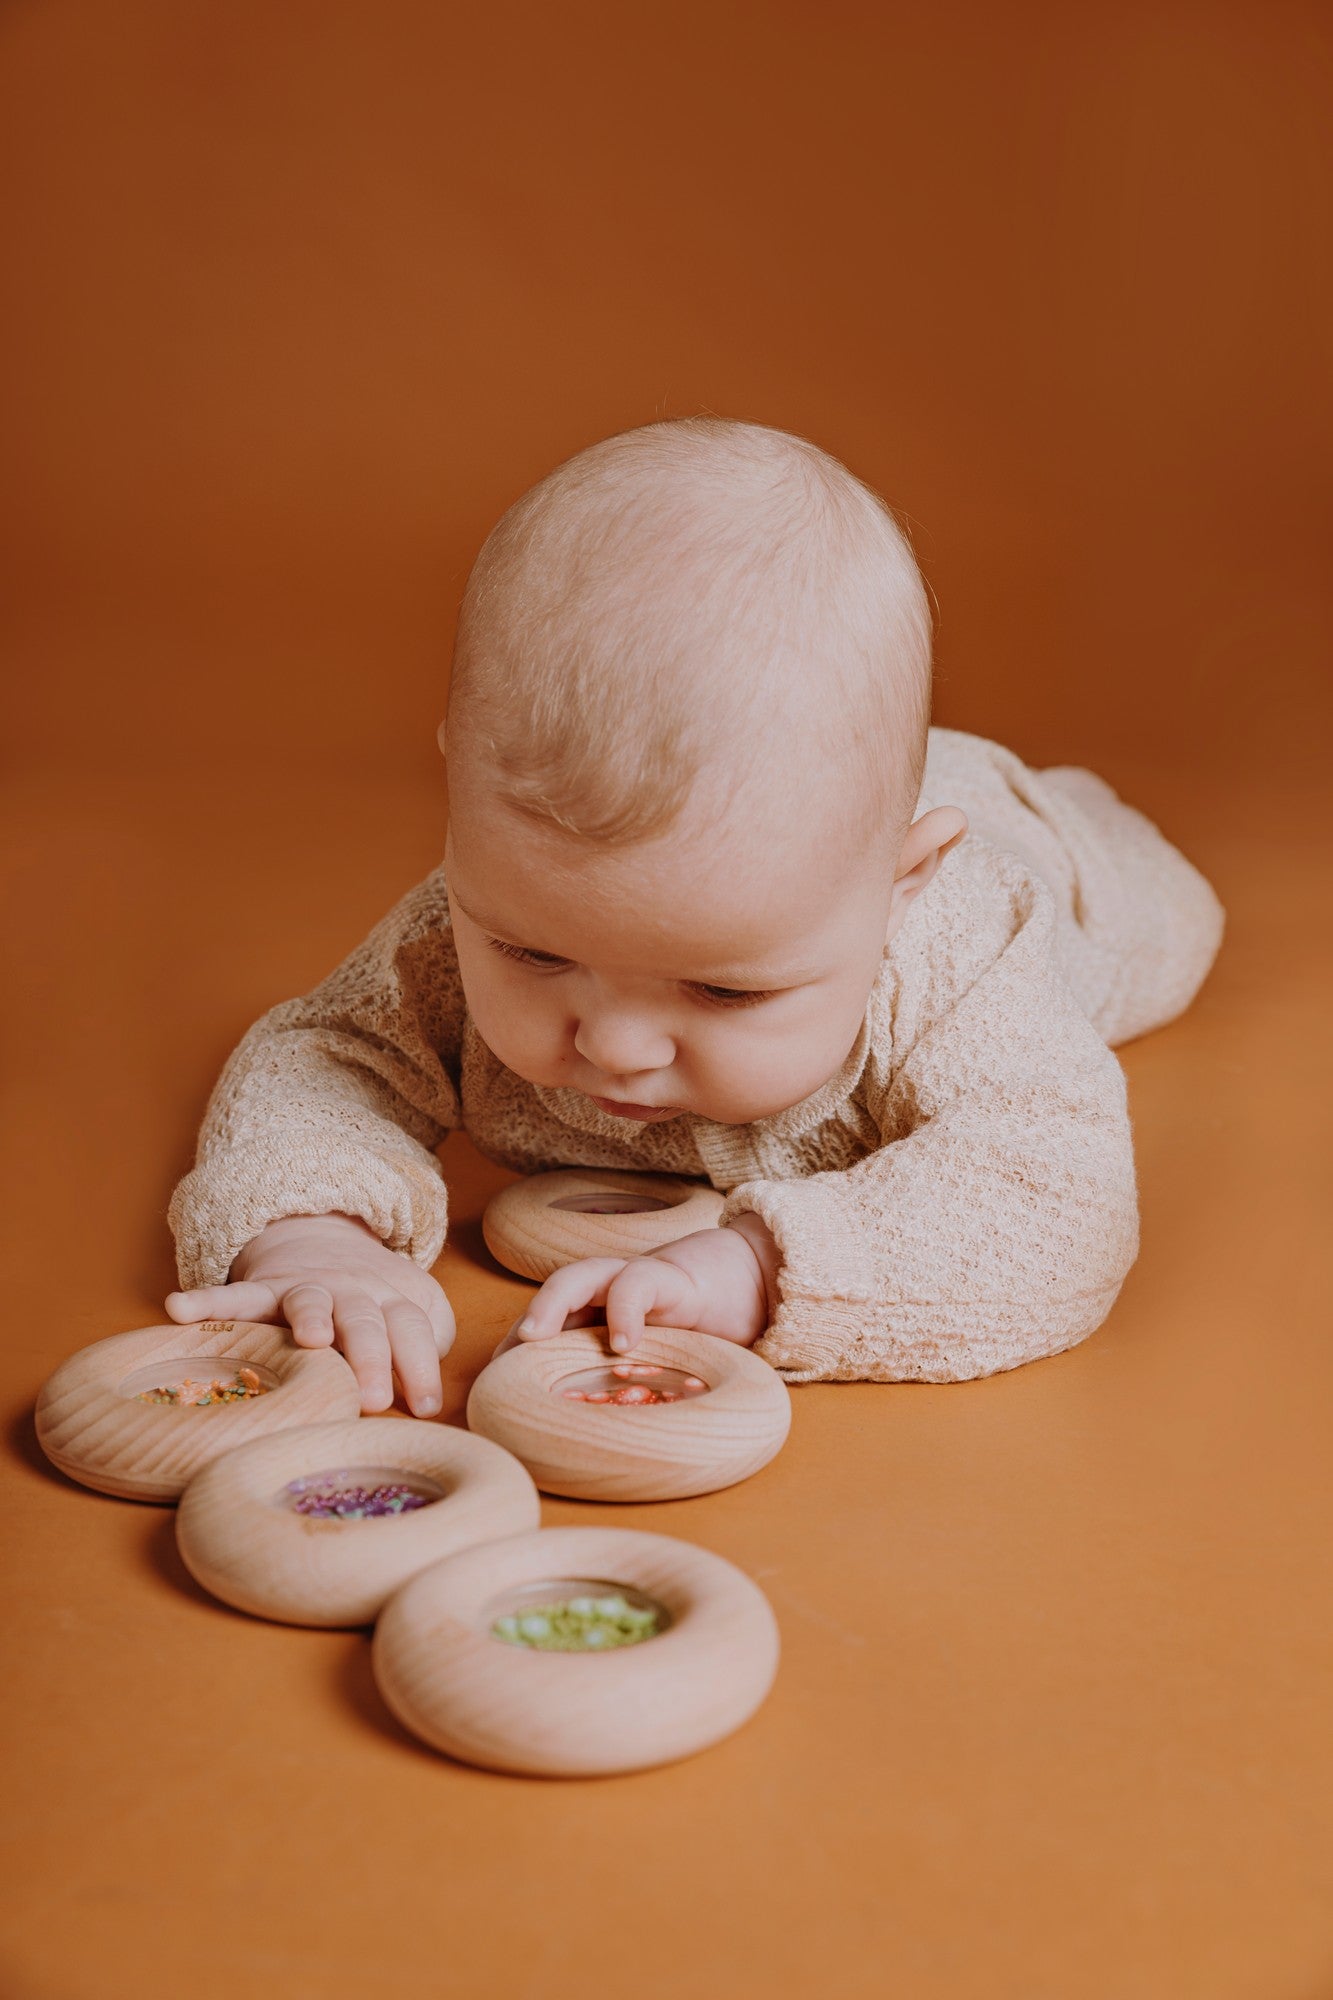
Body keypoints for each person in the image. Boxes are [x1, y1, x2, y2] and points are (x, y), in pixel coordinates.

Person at [164, 417, 1225, 1415]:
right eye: (535, 952)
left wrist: (767, 1265)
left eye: (725, 986)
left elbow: (1053, 1200)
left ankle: (1067, 806)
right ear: (463, 807)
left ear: (898, 891)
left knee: (1172, 925)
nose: (613, 1044)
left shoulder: (964, 944)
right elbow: (322, 1055)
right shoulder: (467, 912)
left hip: (1019, 840)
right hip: (807, 827)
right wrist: (314, 1232)